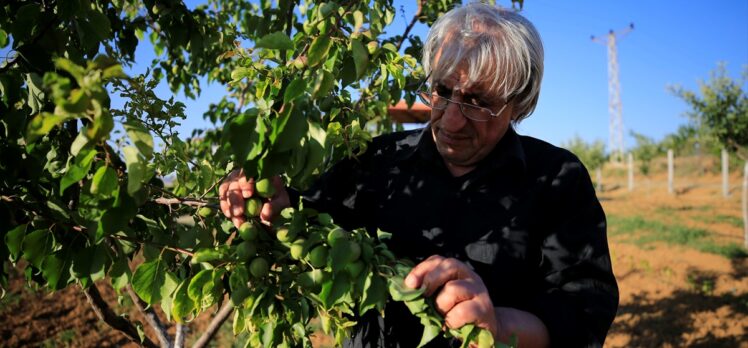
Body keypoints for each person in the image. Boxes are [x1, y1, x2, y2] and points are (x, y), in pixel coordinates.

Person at [219, 3, 618, 347]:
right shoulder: (376, 160)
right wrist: (272, 200)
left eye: (478, 102)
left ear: (519, 103)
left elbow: (584, 309)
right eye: (442, 91)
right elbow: (311, 220)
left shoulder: (556, 179)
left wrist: (497, 324)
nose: (452, 120)